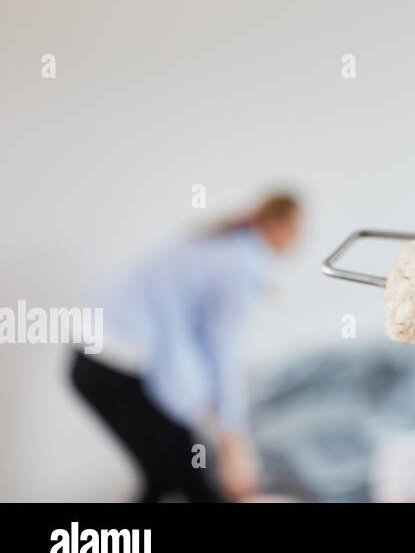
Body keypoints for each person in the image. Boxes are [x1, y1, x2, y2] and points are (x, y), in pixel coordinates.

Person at [70, 192, 302, 501]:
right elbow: (222, 351)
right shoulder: (241, 262)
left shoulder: (218, 243)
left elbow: (191, 340)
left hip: (90, 360)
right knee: (190, 479)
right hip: (114, 366)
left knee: (166, 477)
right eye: (296, 230)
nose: (299, 241)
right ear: (277, 227)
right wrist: (233, 438)